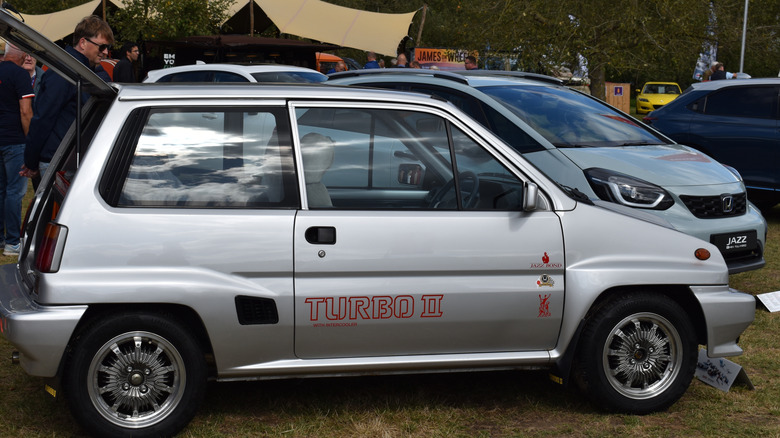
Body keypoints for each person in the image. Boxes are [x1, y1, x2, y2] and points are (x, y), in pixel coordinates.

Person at [21, 16, 113, 182]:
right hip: (57, 162)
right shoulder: (65, 73)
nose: (106, 52)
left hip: (68, 161)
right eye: (103, 46)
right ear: (83, 43)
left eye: (108, 47)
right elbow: (43, 118)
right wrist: (31, 161)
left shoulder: (85, 71)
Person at [0, 43, 34, 256]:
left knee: (2, 190)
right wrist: (31, 141)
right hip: (15, 139)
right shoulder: (20, 75)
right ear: (21, 55)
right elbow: (25, 112)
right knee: (14, 192)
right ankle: (12, 242)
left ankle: (2, 239)